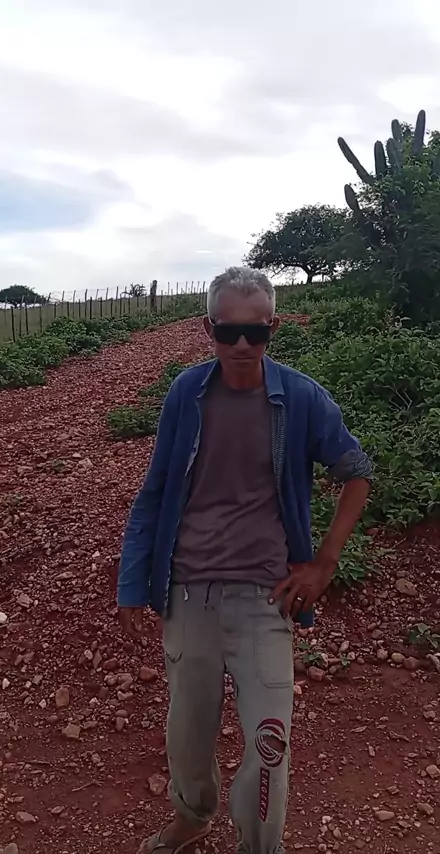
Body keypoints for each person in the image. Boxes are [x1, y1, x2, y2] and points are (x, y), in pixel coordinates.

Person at [117, 267, 373, 854]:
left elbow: (356, 472)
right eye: (226, 331)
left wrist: (324, 563)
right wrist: (132, 581)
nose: (239, 345)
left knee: (269, 744)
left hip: (264, 599)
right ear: (207, 328)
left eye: (254, 333)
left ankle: (259, 845)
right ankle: (193, 815)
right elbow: (155, 492)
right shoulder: (187, 393)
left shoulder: (300, 398)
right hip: (189, 593)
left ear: (272, 329)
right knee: (187, 734)